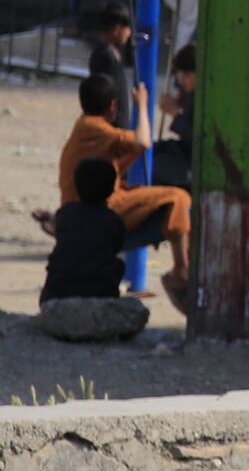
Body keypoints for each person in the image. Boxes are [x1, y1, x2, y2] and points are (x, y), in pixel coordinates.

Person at [57, 74, 192, 302]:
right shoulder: (99, 130)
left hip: (83, 204)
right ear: (113, 106)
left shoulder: (85, 126)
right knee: (179, 197)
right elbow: (143, 142)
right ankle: (182, 269)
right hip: (98, 205)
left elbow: (122, 160)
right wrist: (142, 105)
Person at [42, 157, 127, 303]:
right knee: (118, 264)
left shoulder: (65, 213)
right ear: (112, 189)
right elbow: (115, 246)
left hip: (56, 295)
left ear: (76, 186)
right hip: (101, 295)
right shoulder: (113, 220)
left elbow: (68, 235)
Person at [85, 1, 136, 130]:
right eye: (127, 29)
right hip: (111, 129)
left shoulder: (110, 53)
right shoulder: (105, 57)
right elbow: (107, 97)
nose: (129, 33)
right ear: (117, 30)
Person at [153, 44, 196, 188]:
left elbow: (197, 139)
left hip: (191, 163)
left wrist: (175, 113)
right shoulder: (190, 92)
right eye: (180, 74)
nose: (181, 80)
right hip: (180, 151)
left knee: (152, 166)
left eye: (187, 75)